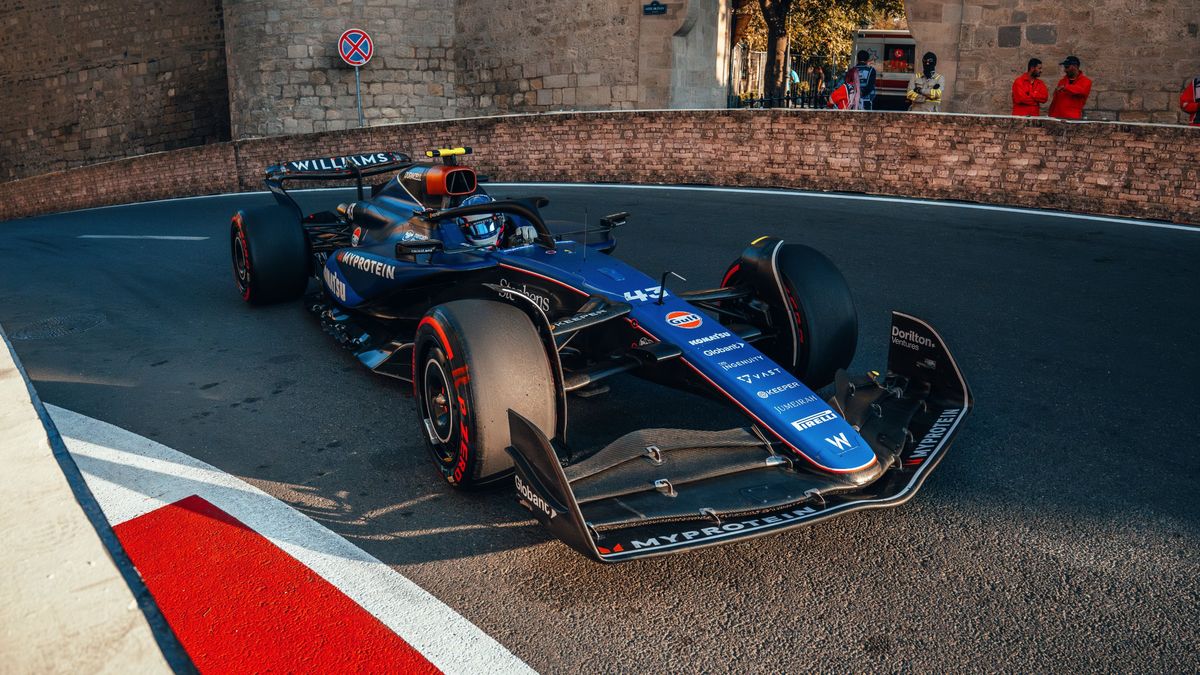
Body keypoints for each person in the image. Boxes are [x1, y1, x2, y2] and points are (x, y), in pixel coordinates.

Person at [1048, 55, 1092, 120]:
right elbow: (1055, 101)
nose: (1065, 70)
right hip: (1056, 117)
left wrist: (1065, 87)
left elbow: (1081, 90)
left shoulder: (1086, 81)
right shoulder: (1062, 81)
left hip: (1072, 119)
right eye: (1065, 67)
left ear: (1075, 66)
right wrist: (1050, 115)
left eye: (1067, 67)